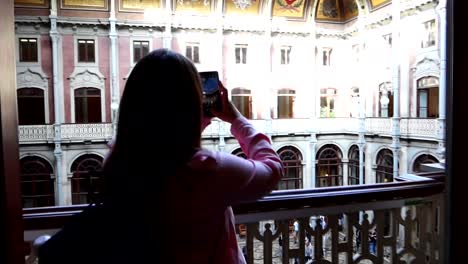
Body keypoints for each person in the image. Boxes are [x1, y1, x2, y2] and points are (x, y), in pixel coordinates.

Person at [38, 49, 284, 264]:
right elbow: (272, 169)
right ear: (191, 103)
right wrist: (236, 119)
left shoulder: (119, 160)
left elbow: (161, 146)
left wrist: (193, 124)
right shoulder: (207, 170)